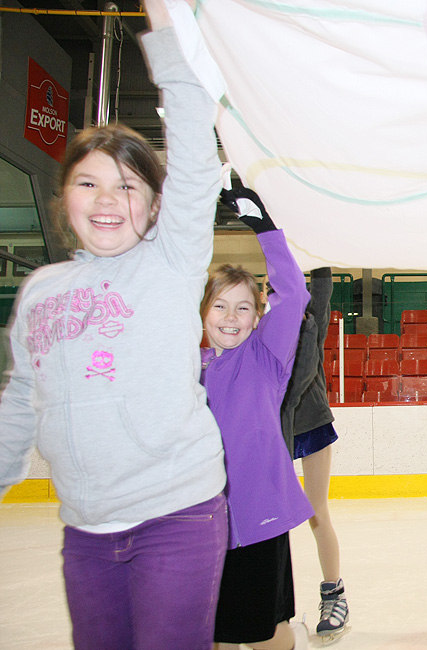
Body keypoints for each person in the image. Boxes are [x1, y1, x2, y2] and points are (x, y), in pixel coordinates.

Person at [0, 2, 228, 648]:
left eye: (128, 187)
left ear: (157, 206)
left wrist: (165, 29)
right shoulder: (41, 291)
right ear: (63, 197)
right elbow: (20, 400)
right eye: (89, 183)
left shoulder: (170, 262)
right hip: (86, 529)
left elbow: (194, 159)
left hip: (176, 514)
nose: (107, 201)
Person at [202, 187, 315, 650]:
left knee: (265, 634)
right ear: (203, 310)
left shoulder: (265, 358)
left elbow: (295, 293)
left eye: (243, 307)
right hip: (202, 521)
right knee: (216, 633)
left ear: (257, 318)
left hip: (256, 521)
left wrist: (263, 228)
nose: (230, 317)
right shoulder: (189, 366)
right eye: (220, 305)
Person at [280, 267, 351, 644]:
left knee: (315, 512)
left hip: (311, 423)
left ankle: (333, 595)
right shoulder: (257, 331)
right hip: (272, 432)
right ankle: (271, 606)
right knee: (269, 518)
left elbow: (320, 294)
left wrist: (317, 255)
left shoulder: (310, 325)